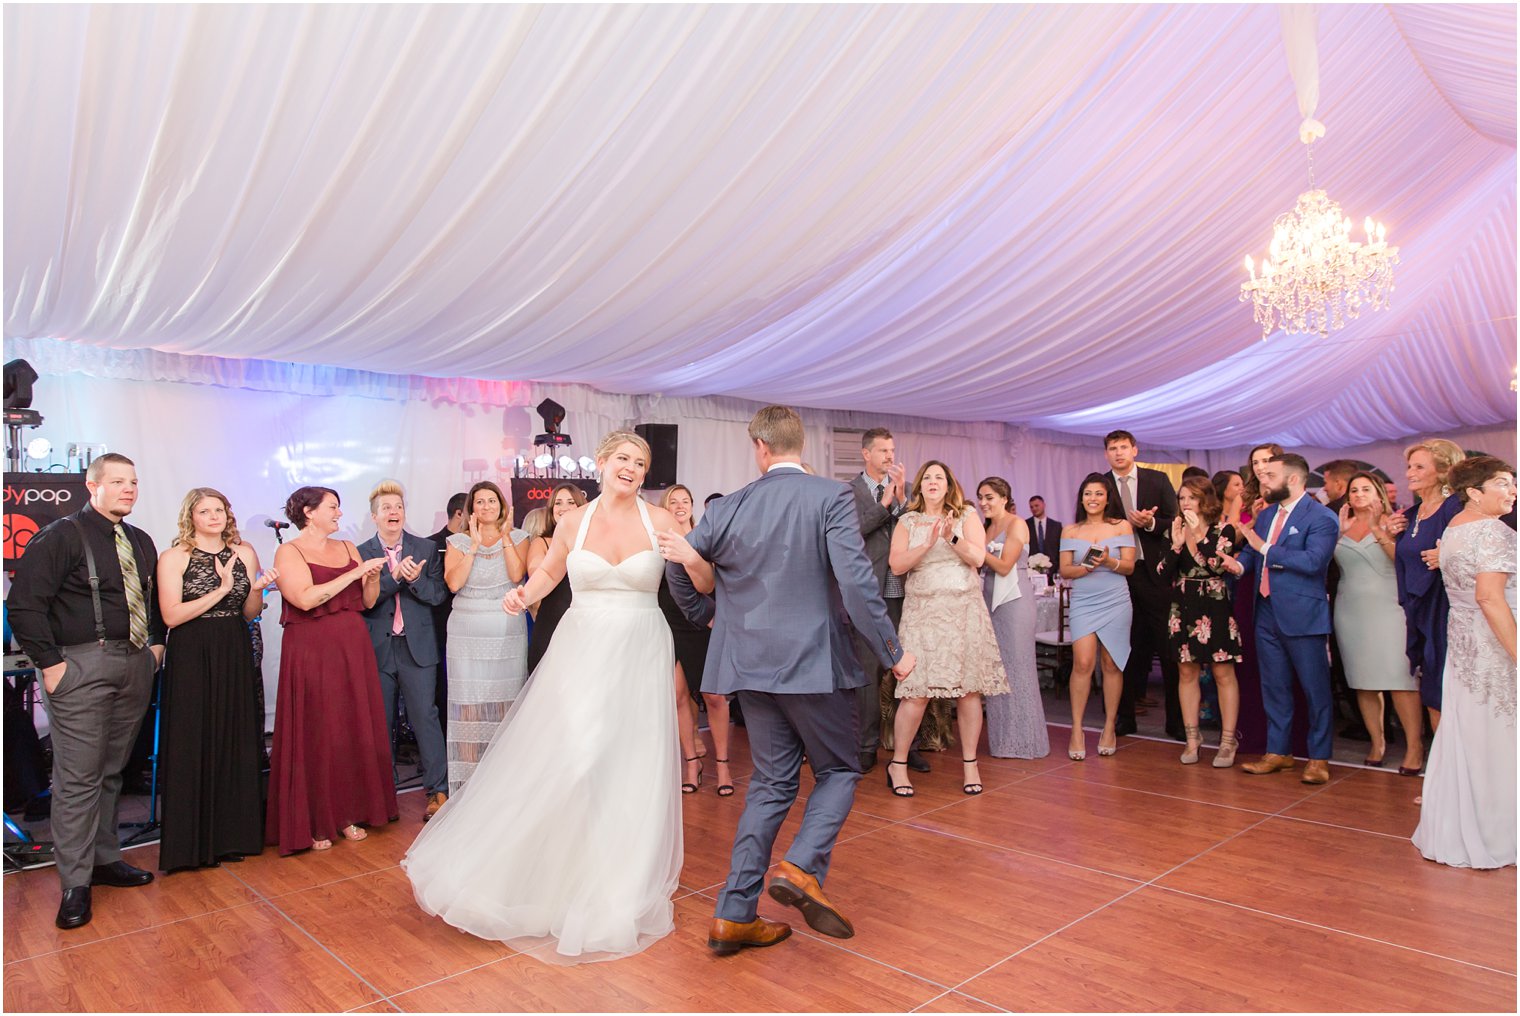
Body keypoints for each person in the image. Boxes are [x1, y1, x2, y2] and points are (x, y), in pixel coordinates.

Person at [403, 431, 684, 962]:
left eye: (641, 462)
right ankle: (542, 874)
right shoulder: (574, 522)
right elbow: (551, 570)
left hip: (643, 647)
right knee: (577, 759)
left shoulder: (662, 521)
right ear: (601, 464)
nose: (631, 467)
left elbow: (697, 578)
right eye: (623, 458)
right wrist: (522, 594)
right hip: (582, 650)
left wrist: (694, 560)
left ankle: (618, 882)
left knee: (631, 763)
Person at [661, 405, 914, 956]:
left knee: (772, 784)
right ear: (802, 445)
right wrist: (893, 651)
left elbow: (678, 566)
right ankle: (801, 868)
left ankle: (734, 914)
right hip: (815, 663)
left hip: (750, 665)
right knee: (841, 769)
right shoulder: (831, 496)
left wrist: (714, 621)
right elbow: (855, 583)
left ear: (760, 447)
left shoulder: (730, 506)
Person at [6, 453, 166, 929]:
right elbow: (24, 606)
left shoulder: (141, 540)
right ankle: (74, 883)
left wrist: (156, 646)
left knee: (112, 770)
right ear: (91, 486)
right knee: (78, 779)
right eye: (118, 481)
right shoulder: (59, 536)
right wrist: (52, 666)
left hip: (134, 662)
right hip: (79, 664)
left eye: (133, 481)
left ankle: (103, 859)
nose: (128, 489)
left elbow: (152, 599)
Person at [267, 486, 397, 853]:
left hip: (351, 644)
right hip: (312, 647)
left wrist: (370, 577)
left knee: (349, 726)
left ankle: (350, 812)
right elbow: (305, 598)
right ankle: (314, 818)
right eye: (333, 507)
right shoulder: (288, 551)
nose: (339, 514)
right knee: (318, 728)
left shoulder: (347, 548)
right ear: (309, 513)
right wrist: (352, 575)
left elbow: (368, 601)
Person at [156, 487, 275, 872]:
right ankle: (192, 844)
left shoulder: (245, 553)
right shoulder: (174, 557)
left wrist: (254, 590)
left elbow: (248, 613)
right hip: (192, 650)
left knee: (233, 735)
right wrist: (222, 589)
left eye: (219, 509)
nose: (214, 516)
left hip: (233, 646)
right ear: (191, 516)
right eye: (205, 511)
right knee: (194, 737)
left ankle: (233, 836)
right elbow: (172, 616)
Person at [1412, 456, 1516, 869]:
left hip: (1465, 646)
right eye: (1504, 484)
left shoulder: (1453, 531)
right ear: (1474, 492)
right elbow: (1489, 598)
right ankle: (1498, 833)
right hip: (1495, 645)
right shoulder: (1494, 532)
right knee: (1500, 736)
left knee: (1472, 733)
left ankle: (1462, 826)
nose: (1512, 492)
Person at [886, 462, 1010, 795]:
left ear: (949, 484)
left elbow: (978, 558)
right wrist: (926, 543)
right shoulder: (907, 521)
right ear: (920, 487)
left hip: (964, 613)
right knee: (916, 691)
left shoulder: (966, 515)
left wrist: (950, 536)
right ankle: (898, 764)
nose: (932, 482)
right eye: (927, 477)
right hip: (923, 614)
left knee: (969, 690)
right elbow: (896, 564)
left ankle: (970, 765)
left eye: (939, 477)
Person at [1235, 454, 1340, 784]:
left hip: (1302, 614)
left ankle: (1319, 758)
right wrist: (1236, 564)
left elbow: (1313, 562)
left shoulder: (1321, 517)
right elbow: (1252, 556)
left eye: (1270, 475)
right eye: (1262, 474)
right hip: (1265, 610)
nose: (1263, 480)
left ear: (1293, 480)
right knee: (1274, 686)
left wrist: (1264, 548)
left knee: (1315, 689)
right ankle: (1278, 752)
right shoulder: (1266, 516)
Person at [357, 480, 450, 822]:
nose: (393, 512)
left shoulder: (425, 548)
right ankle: (383, 794)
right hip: (379, 647)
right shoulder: (360, 552)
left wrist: (413, 580)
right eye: (386, 508)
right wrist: (394, 577)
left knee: (425, 717)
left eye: (398, 506)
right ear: (374, 516)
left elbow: (438, 595)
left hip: (418, 647)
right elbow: (361, 603)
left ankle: (437, 790)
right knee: (380, 722)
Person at [847, 427, 926, 774]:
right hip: (870, 594)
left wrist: (903, 500)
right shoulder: (847, 492)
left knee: (907, 671)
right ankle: (866, 746)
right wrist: (885, 504)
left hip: (905, 593)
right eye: (883, 451)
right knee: (869, 671)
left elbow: (918, 528)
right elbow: (853, 532)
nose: (890, 457)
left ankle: (908, 748)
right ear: (866, 454)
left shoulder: (906, 493)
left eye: (892, 450)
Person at [442, 480, 529, 795]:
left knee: (507, 700)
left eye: (492, 501)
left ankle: (505, 782)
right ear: (471, 509)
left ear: (502, 505)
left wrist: (504, 537)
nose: (487, 507)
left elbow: (517, 575)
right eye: (480, 502)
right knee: (470, 704)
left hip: (506, 626)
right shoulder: (457, 542)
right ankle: (468, 787)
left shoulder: (519, 537)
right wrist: (475, 546)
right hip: (466, 629)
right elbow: (454, 583)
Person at [1332, 472, 1422, 770]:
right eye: (1353, 489)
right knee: (1363, 681)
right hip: (1350, 609)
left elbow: (1404, 561)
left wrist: (1376, 529)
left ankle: (1414, 748)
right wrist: (1338, 534)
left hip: (1389, 607)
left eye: (1365, 489)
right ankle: (1377, 742)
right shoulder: (1339, 525)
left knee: (1400, 680)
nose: (1358, 494)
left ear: (1379, 493)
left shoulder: (1394, 520)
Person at [1156, 477, 1243, 766]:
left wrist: (1198, 535)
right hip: (1183, 606)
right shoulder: (1175, 528)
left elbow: (1216, 565)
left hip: (1215, 603)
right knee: (1186, 673)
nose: (1185, 503)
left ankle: (1228, 741)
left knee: (1222, 673)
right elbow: (1160, 573)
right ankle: (1193, 739)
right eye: (1182, 498)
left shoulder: (1224, 529)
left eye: (1191, 497)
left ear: (1206, 500)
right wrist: (1178, 545)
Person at [1100, 430, 1181, 739]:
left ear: (1134, 449)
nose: (1119, 453)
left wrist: (1149, 523)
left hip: (1154, 573)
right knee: (1123, 648)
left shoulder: (1157, 481)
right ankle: (1123, 718)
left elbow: (1175, 522)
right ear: (1106, 453)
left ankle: (1175, 721)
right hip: (1117, 573)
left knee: (1167, 647)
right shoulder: (1101, 485)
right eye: (1112, 448)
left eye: (1123, 447)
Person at [656, 484, 731, 795]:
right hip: (668, 621)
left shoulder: (705, 536)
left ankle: (723, 766)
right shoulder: (656, 541)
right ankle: (691, 762)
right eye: (673, 501)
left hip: (703, 622)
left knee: (714, 696)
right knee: (677, 695)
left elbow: (716, 583)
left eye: (685, 500)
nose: (679, 505)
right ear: (665, 508)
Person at [1060, 474, 1136, 760]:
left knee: (1111, 664)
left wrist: (1108, 561)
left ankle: (1108, 728)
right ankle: (1076, 729)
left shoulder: (1121, 526)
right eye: (1088, 493)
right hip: (1083, 600)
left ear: (1107, 498)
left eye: (1099, 494)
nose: (1093, 498)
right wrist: (1086, 568)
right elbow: (1065, 570)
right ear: (1081, 498)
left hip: (1116, 599)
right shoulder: (1070, 530)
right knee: (1082, 662)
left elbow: (1129, 567)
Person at [1395, 438, 1465, 739]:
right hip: (1419, 610)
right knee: (1432, 690)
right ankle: (1442, 773)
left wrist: (1448, 555)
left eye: (1419, 466)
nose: (1410, 472)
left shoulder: (1455, 508)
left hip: (1446, 611)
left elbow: (1478, 550)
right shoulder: (1411, 514)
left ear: (1442, 471)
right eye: (1409, 466)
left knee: (1446, 690)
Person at [977, 477, 1048, 758]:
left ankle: (1026, 741)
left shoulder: (1017, 523)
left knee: (1019, 668)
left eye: (989, 497)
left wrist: (974, 550)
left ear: (1004, 498)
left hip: (1015, 600)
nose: (984, 502)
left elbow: (1005, 566)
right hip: (990, 599)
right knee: (997, 669)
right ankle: (1003, 740)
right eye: (981, 497)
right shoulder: (987, 527)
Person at [525, 483, 587, 663]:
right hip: (552, 620)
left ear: (581, 506)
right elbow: (536, 573)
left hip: (586, 621)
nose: (563, 508)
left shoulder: (593, 542)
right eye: (558, 503)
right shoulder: (541, 542)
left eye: (570, 502)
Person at [427, 492, 469, 739]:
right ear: (460, 514)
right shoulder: (432, 546)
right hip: (440, 626)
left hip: (472, 624)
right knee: (444, 685)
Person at [1026, 495, 1062, 585]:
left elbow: (1059, 549)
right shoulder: (1025, 525)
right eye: (1031, 507)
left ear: (1044, 505)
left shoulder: (1056, 526)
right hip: (1031, 573)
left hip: (1053, 573)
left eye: (1036, 505)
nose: (1034, 508)